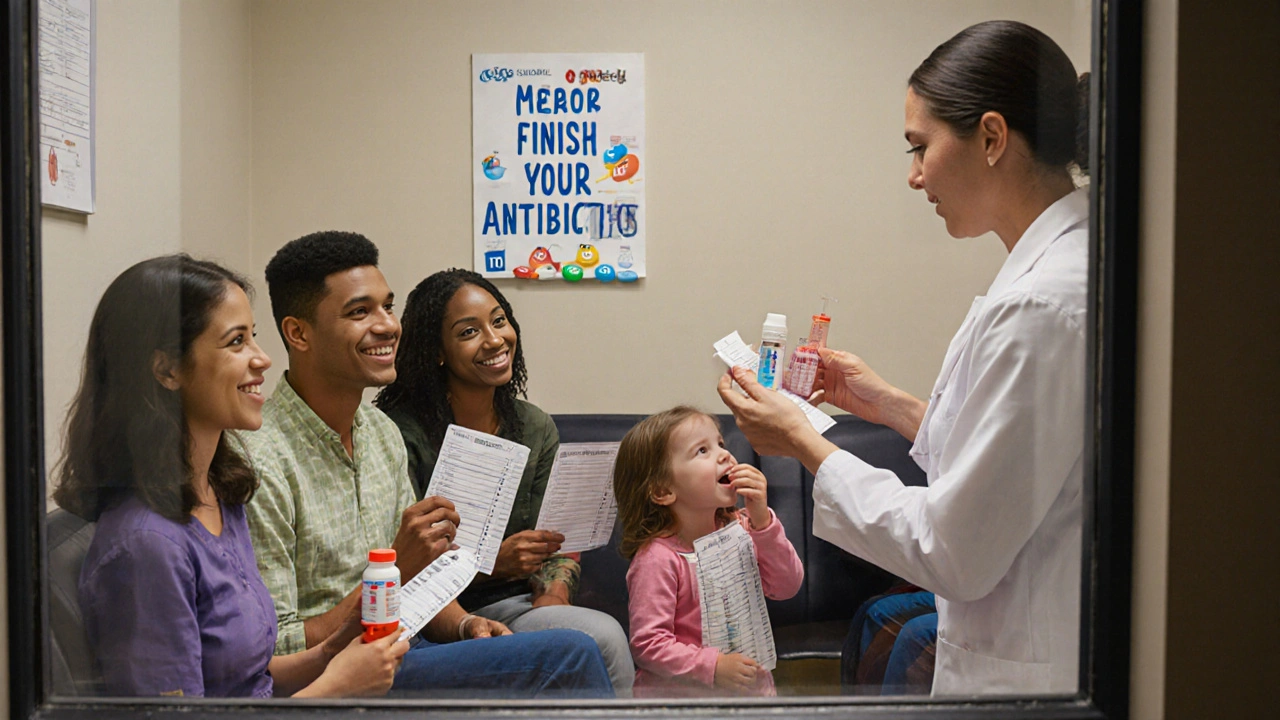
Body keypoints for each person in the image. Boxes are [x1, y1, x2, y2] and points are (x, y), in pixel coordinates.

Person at [717, 20, 1091, 696]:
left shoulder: (1042, 305)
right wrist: (882, 404)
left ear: (992, 137)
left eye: (920, 147)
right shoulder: (1056, 272)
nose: (915, 176)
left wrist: (803, 441)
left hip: (1024, 674)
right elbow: (1015, 460)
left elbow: (953, 551)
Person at [238, 231, 611, 698]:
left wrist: (465, 624)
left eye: (387, 307)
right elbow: (275, 645)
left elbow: (418, 586)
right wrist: (395, 569)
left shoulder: (379, 433)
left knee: (580, 642)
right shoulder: (258, 458)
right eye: (360, 312)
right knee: (571, 653)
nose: (388, 326)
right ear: (298, 333)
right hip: (338, 674)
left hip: (412, 646)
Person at [57, 255, 407, 698]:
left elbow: (246, 677)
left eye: (254, 337)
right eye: (236, 342)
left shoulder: (220, 494)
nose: (262, 359)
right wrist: (336, 686)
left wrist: (328, 654)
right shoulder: (148, 546)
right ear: (167, 370)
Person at [375, 268, 634, 692]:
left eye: (499, 321)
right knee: (601, 636)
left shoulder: (533, 427)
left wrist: (553, 600)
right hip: (435, 613)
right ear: (437, 351)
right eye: (468, 332)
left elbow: (559, 539)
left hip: (520, 605)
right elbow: (405, 561)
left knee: (596, 634)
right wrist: (494, 561)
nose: (495, 340)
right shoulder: (400, 435)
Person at [611, 407, 804, 697]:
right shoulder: (658, 558)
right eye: (702, 450)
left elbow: (787, 586)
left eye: (721, 444)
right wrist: (712, 667)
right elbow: (649, 644)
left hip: (750, 695)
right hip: (682, 705)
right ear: (663, 491)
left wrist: (763, 522)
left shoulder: (743, 527)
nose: (724, 454)